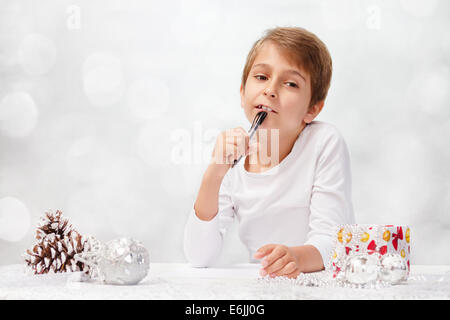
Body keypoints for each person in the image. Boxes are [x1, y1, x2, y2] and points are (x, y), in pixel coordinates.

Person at [183, 27, 355, 278]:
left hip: (321, 284)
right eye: (262, 77)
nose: (270, 90)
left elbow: (333, 244)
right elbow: (199, 256)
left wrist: (295, 257)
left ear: (312, 109)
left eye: (291, 83)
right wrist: (214, 174)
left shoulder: (324, 142)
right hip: (266, 287)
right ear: (242, 94)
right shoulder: (234, 155)